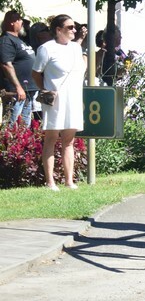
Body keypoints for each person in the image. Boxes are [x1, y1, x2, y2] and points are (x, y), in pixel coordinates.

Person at [31, 15, 86, 190]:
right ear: (58, 30)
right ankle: (50, 182)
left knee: (69, 140)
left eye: (74, 27)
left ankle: (69, 181)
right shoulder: (46, 49)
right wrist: (45, 90)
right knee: (51, 138)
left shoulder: (76, 48)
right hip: (55, 100)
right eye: (70, 27)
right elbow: (36, 73)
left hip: (73, 99)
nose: (74, 30)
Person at [1, 10, 39, 127]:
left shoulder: (19, 40)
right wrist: (18, 87)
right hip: (15, 91)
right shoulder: (6, 40)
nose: (22, 22)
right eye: (19, 20)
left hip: (28, 90)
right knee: (12, 125)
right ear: (12, 22)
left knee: (24, 126)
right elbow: (6, 65)